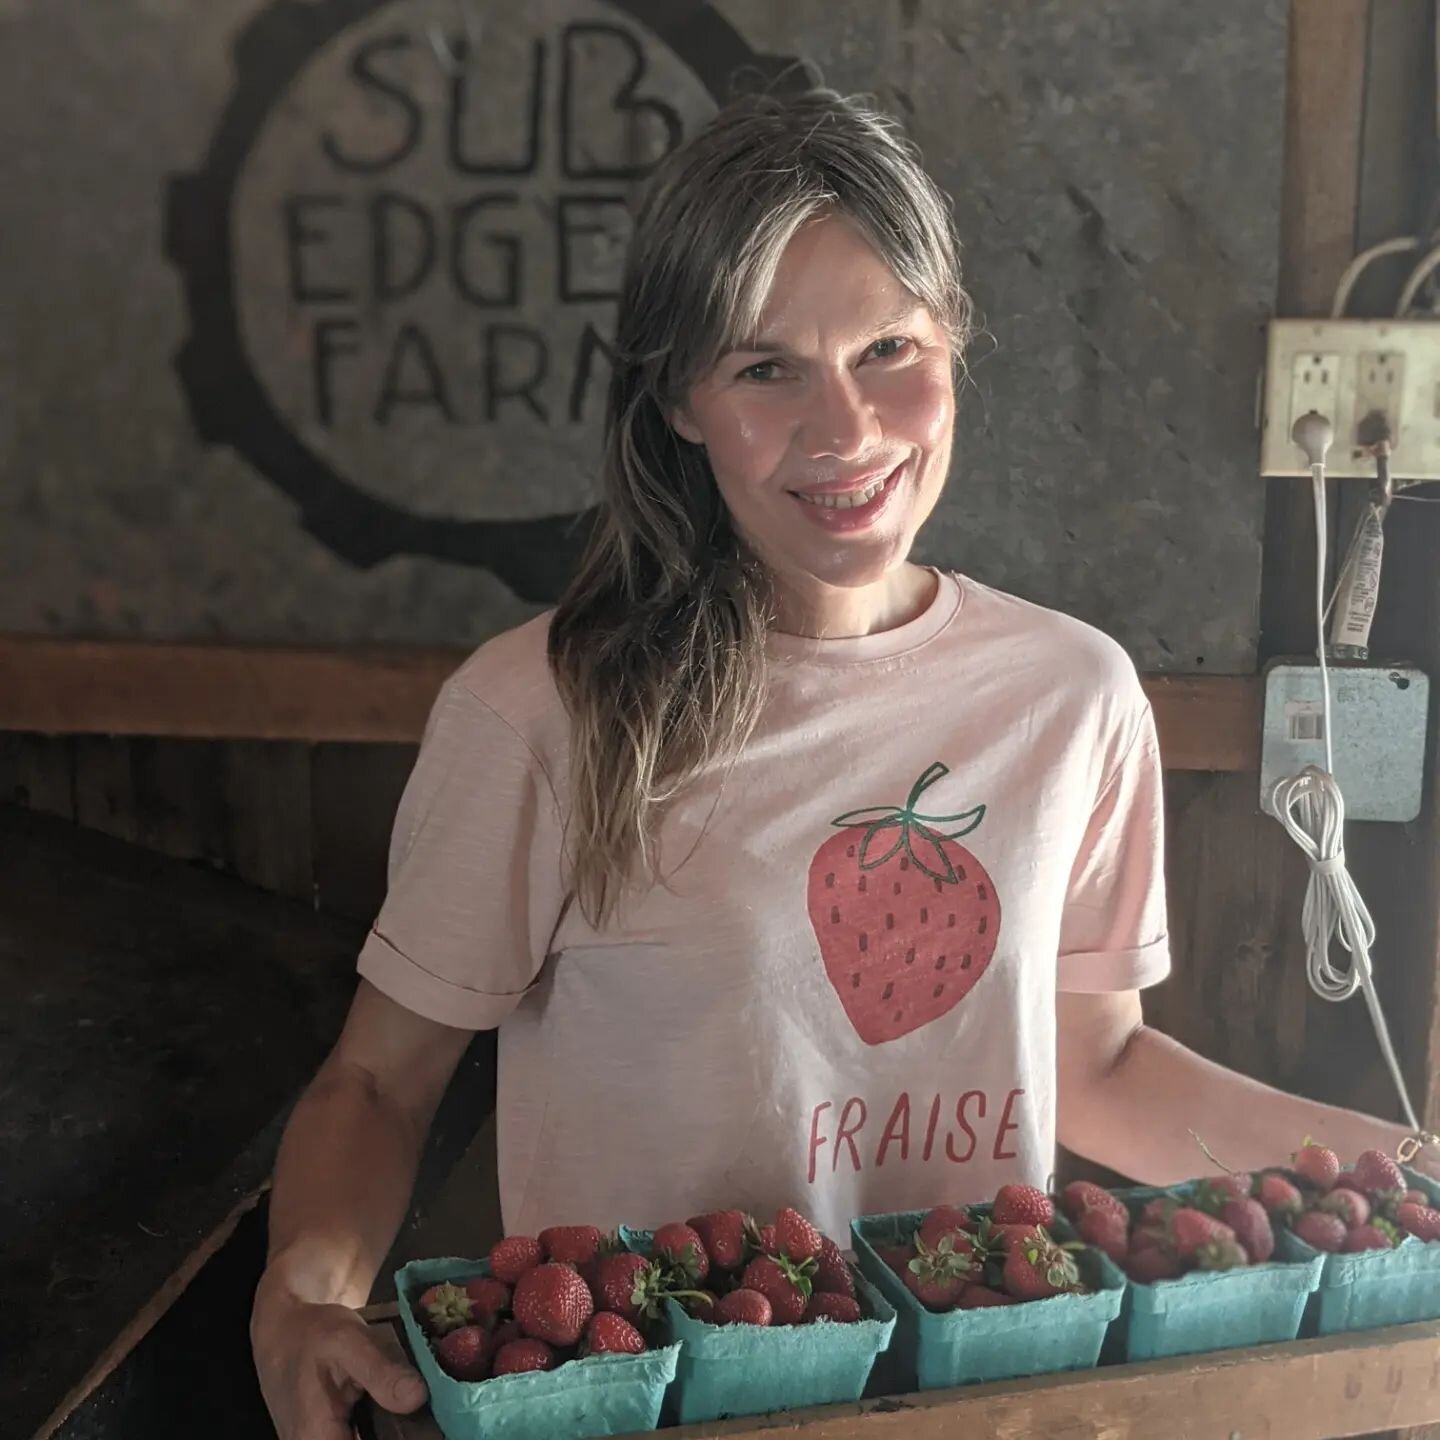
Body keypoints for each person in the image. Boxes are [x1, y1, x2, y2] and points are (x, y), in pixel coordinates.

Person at [250, 87, 1431, 1439]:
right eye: (766, 369)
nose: (847, 430)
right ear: (681, 402)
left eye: (887, 348)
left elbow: (1098, 1066)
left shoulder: (1074, 694)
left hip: (985, 1398)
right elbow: (376, 1085)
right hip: (659, 1411)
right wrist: (299, 1291)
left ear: (956, 343)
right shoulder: (541, 712)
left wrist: (1410, 1170)